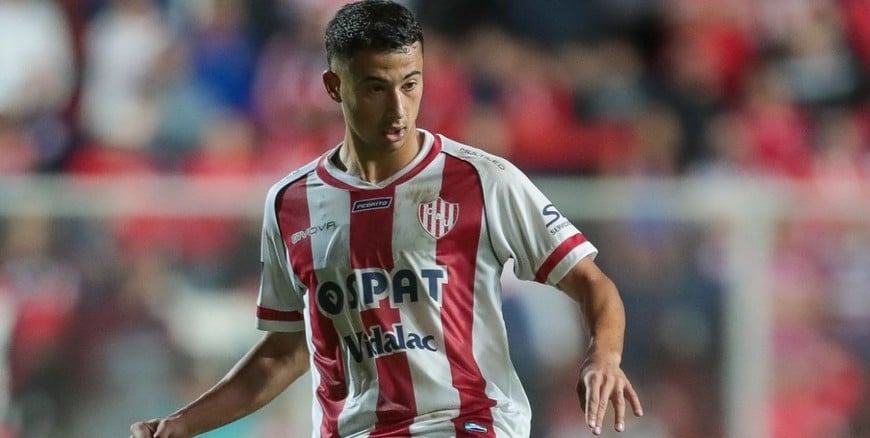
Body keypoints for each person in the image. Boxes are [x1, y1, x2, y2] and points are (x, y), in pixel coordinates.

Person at [130, 1, 643, 437]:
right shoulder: (290, 203)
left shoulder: (482, 179)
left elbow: (591, 281)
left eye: (410, 84)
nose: (399, 108)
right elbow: (285, 350)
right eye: (376, 88)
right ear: (335, 86)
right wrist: (180, 424)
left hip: (467, 424)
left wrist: (605, 355)